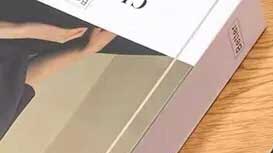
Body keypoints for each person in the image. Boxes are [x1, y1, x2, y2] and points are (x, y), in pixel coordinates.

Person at [0, 10, 160, 141]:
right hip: (28, 38)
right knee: (152, 37)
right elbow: (23, 80)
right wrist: (87, 49)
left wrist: (23, 30)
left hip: (12, 23)